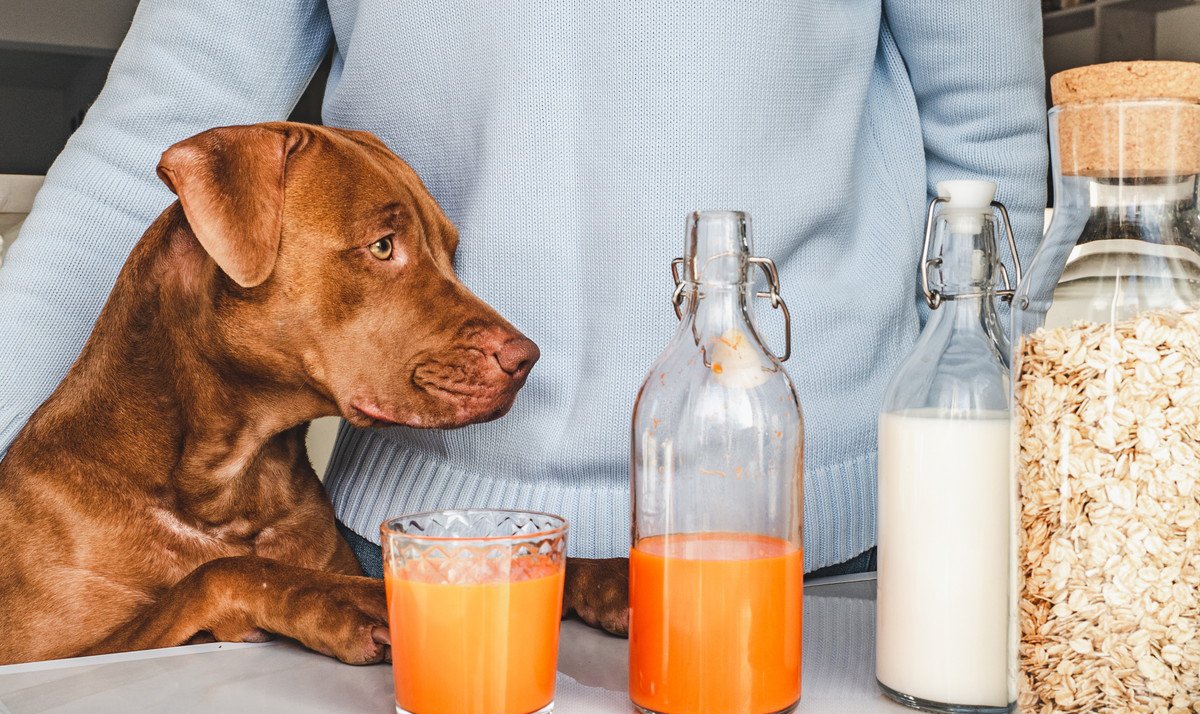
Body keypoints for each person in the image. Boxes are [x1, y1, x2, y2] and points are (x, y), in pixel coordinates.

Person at [0, 0, 1047, 582]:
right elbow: (146, 158)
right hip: (425, 558)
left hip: (822, 545)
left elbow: (989, 158)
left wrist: (1021, 508)